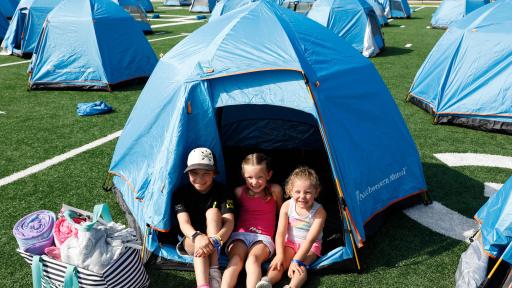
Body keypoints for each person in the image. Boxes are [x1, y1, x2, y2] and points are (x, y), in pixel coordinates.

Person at [173, 147, 235, 288]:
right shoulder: (180, 193)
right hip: (191, 239)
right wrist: (197, 237)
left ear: (214, 173)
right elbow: (184, 223)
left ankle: (213, 270)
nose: (200, 179)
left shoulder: (223, 191)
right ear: (188, 172)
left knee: (212, 212)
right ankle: (203, 285)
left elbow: (229, 222)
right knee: (199, 243)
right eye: (194, 173)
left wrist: (216, 240)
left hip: (218, 239)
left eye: (206, 173)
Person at [256, 167, 326, 288]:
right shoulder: (287, 206)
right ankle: (267, 281)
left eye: (308, 192)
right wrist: (279, 255)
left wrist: (296, 260)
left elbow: (310, 240)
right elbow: (280, 233)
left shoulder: (319, 212)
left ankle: (292, 286)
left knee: (300, 267)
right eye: (298, 192)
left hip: (310, 247)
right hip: (290, 243)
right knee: (280, 263)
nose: (302, 196)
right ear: (290, 190)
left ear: (316, 191)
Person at [221, 153, 283, 288]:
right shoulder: (239, 192)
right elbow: (233, 213)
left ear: (269, 175)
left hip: (263, 237)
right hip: (240, 235)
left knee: (253, 260)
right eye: (249, 177)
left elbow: (281, 214)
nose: (254, 182)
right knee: (235, 260)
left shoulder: (275, 191)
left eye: (259, 177)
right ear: (243, 176)